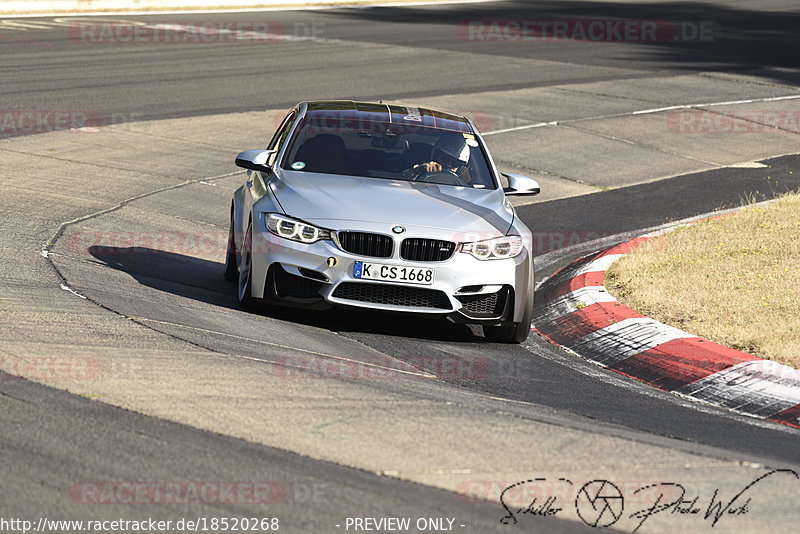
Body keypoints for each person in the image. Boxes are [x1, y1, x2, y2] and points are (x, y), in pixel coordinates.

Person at [403, 137, 473, 183]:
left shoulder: (462, 183)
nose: (448, 165)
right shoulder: (421, 170)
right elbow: (399, 181)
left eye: (455, 163)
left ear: (460, 168)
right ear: (435, 157)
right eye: (445, 159)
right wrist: (418, 170)